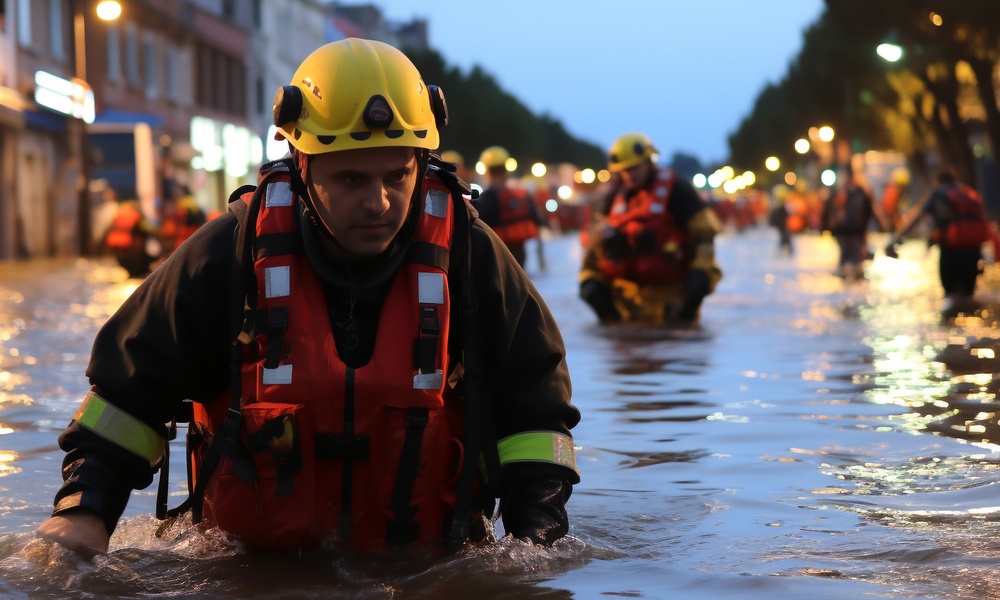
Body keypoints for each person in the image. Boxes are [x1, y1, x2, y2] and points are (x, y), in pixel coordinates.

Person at [36, 38, 580, 557]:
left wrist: (536, 538)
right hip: (249, 563)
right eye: (350, 179)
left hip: (421, 562)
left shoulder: (468, 255)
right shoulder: (231, 252)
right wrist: (84, 513)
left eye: (398, 175)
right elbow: (127, 396)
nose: (379, 202)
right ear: (301, 166)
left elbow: (535, 407)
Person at [578, 132, 723, 324]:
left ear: (648, 162)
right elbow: (594, 246)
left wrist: (701, 276)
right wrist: (588, 280)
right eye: (624, 170)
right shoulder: (612, 198)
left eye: (635, 167)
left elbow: (705, 234)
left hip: (672, 298)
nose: (630, 174)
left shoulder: (677, 190)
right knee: (592, 292)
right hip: (625, 301)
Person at [885, 166, 990, 313]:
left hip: (950, 251)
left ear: (938, 181)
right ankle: (971, 330)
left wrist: (896, 238)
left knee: (951, 296)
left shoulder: (940, 194)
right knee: (968, 296)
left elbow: (917, 217)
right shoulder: (969, 194)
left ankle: (952, 329)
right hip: (973, 250)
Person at [472, 146, 541, 268]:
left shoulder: (487, 197)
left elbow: (480, 226)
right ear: (507, 169)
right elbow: (536, 218)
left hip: (497, 252)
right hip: (519, 251)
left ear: (486, 171)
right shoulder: (520, 193)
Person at [823, 168, 876, 281]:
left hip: (855, 230)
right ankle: (848, 276)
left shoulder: (862, 194)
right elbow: (831, 211)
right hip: (844, 230)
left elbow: (868, 212)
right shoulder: (841, 193)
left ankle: (855, 276)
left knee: (855, 258)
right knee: (846, 256)